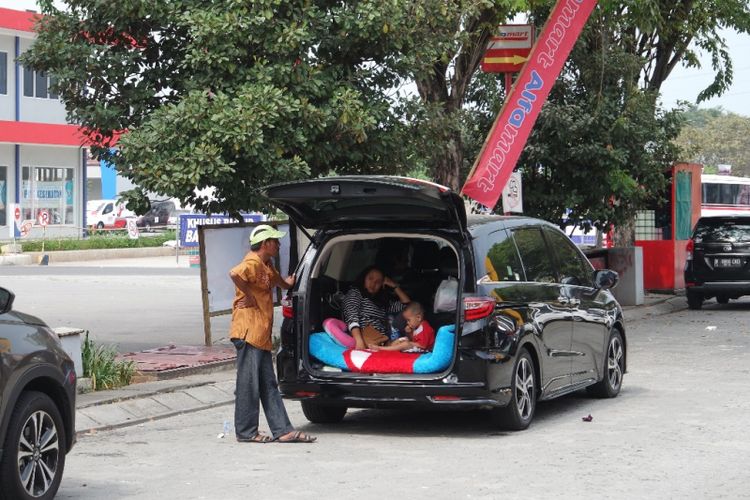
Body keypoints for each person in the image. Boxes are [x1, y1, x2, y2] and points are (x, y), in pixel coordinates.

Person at [229, 224, 316, 444]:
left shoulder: (267, 265)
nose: (278, 244)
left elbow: (280, 281)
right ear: (265, 243)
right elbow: (235, 273)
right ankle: (246, 432)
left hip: (260, 335)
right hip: (249, 332)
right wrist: (248, 294)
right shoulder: (252, 262)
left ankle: (282, 430)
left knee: (268, 383)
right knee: (249, 384)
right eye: (275, 241)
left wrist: (289, 281)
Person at [342, 265, 411, 349]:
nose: (373, 283)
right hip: (366, 338)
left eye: (378, 282)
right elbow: (351, 316)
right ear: (364, 279)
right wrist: (359, 341)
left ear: (382, 285)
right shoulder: (356, 293)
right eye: (370, 278)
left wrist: (394, 286)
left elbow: (408, 306)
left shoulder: (382, 302)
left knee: (407, 344)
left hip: (383, 340)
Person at [368, 302, 435, 352]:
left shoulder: (425, 327)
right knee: (401, 339)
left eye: (409, 320)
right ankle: (388, 348)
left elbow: (423, 345)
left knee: (405, 343)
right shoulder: (416, 327)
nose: (407, 323)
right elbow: (413, 339)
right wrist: (409, 333)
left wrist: (409, 343)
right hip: (416, 347)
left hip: (425, 350)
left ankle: (380, 348)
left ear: (418, 317)